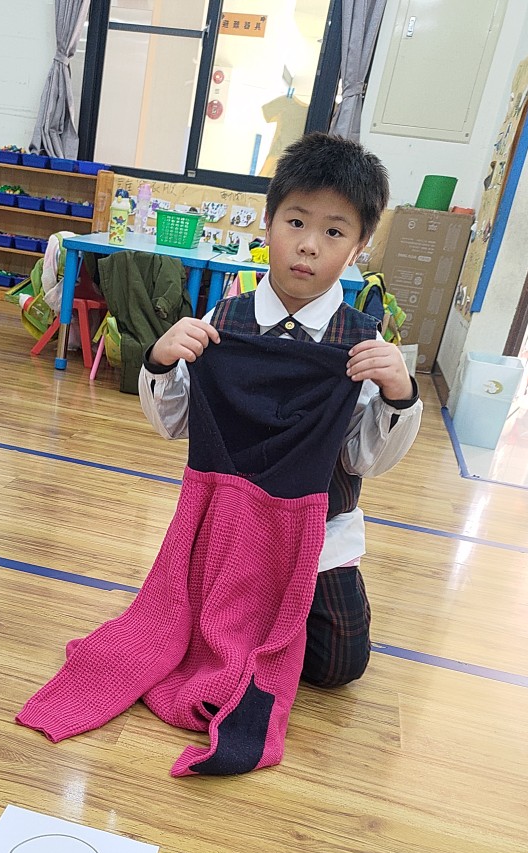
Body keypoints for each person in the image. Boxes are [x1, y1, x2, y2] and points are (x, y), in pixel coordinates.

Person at [138, 132, 422, 689]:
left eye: (334, 232)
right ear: (268, 223)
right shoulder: (224, 321)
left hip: (317, 527)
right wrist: (160, 361)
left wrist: (399, 394)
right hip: (229, 522)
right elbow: (174, 424)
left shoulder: (362, 341)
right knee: (187, 633)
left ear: (359, 246)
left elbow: (364, 459)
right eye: (295, 222)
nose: (309, 246)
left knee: (338, 665)